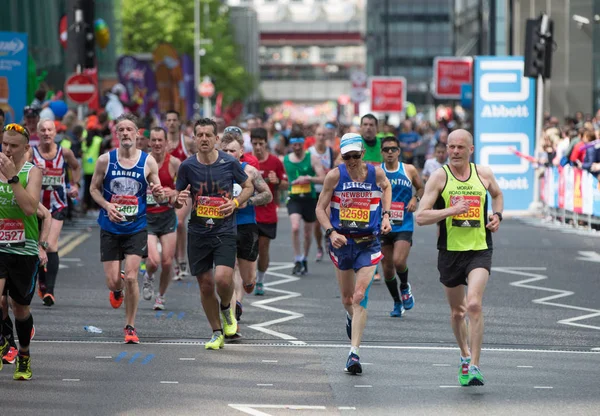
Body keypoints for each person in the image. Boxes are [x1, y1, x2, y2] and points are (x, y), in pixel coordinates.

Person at [415, 129, 503, 386]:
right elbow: (421, 217)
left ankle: (475, 366)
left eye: (460, 148)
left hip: (479, 249)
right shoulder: (439, 177)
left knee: (474, 304)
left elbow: (497, 195)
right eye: (450, 147)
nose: (454, 152)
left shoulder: (483, 174)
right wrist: (452, 210)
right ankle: (464, 354)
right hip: (450, 252)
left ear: (470, 150)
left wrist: (497, 216)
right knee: (457, 312)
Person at [173, 118, 253, 350]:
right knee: (206, 285)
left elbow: (248, 186)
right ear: (194, 138)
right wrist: (177, 201)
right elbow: (178, 200)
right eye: (200, 135)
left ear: (217, 139)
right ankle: (216, 332)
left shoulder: (229, 163)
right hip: (198, 232)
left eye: (209, 135)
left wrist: (236, 203)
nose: (204, 139)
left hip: (225, 230)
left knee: (222, 279)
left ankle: (227, 308)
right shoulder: (187, 167)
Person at [315, 133, 392, 375]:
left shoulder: (376, 173)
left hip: (368, 243)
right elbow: (319, 208)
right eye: (346, 156)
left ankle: (353, 353)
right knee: (348, 300)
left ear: (363, 154)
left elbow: (387, 186)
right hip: (342, 243)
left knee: (359, 296)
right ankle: (350, 318)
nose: (351, 161)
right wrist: (330, 232)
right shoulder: (334, 176)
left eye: (355, 156)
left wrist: (386, 215)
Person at [89, 113, 164, 344]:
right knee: (113, 282)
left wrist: (160, 194)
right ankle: (117, 287)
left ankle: (130, 326)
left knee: (132, 277)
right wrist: (107, 205)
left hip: (136, 226)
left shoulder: (148, 161)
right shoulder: (105, 160)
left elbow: (158, 191)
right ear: (116, 134)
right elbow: (93, 189)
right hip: (110, 227)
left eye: (129, 129)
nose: (125, 133)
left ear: (137, 133)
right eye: (120, 129)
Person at [0, 123, 43, 380]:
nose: (7, 149)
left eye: (13, 146)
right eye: (4, 143)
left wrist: (13, 178)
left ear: (25, 148)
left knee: (20, 310)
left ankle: (24, 354)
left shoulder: (32, 172)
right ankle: (4, 341)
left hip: (23, 249)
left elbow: (29, 208)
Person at [219, 129, 272, 323]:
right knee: (229, 270)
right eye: (224, 150)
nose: (228, 154)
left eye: (232, 151)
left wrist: (247, 201)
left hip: (247, 226)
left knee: (248, 278)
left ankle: (248, 287)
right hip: (224, 226)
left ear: (241, 151)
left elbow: (268, 195)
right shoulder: (215, 171)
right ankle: (232, 316)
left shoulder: (249, 171)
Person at [31, 119, 81, 306]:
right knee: (36, 246)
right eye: (43, 130)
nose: (46, 133)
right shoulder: (31, 154)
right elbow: (19, 170)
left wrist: (75, 185)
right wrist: (34, 171)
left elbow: (76, 167)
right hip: (35, 206)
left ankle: (50, 291)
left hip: (57, 205)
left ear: (55, 132)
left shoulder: (64, 152)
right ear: (38, 132)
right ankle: (41, 282)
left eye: (49, 130)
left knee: (50, 245)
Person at [379, 136, 423, 317]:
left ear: (399, 151)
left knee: (398, 261)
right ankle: (397, 302)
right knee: (387, 268)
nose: (390, 152)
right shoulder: (376, 172)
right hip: (382, 224)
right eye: (386, 149)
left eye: (393, 149)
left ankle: (404, 286)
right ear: (381, 152)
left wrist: (415, 198)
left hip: (403, 223)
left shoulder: (409, 170)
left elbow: (421, 188)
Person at [2, 202, 50, 365]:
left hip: (23, 254)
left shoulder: (22, 187)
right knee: (1, 301)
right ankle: (7, 344)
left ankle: (23, 352)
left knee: (17, 307)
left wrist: (42, 246)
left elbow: (47, 215)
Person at [141, 127, 181, 310]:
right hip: (147, 217)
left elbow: (184, 189)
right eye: (154, 140)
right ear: (149, 142)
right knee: (154, 260)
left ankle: (161, 296)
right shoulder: (142, 162)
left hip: (167, 216)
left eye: (160, 140)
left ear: (166, 142)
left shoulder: (174, 163)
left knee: (167, 261)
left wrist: (173, 192)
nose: (157, 144)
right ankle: (148, 277)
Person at [250, 127, 288, 295]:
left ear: (266, 143)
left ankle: (260, 279)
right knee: (249, 248)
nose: (258, 147)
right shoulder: (246, 160)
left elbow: (287, 184)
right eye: (255, 143)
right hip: (248, 212)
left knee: (263, 248)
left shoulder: (275, 162)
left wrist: (277, 181)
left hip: (267, 213)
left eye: (261, 144)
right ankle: (248, 277)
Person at [283, 134, 326, 275]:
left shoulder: (312, 158)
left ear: (303, 144)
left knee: (308, 233)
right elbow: (281, 180)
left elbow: (323, 178)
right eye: (294, 145)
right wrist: (288, 183)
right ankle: (296, 259)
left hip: (309, 198)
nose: (296, 147)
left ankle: (304, 258)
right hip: (294, 198)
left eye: (299, 144)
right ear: (290, 145)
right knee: (295, 227)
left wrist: (308, 178)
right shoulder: (286, 160)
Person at [165, 110, 196, 279]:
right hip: (165, 191)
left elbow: (203, 157)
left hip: (185, 191)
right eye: (168, 120)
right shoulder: (159, 143)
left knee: (179, 222)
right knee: (169, 226)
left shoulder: (188, 142)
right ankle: (173, 260)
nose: (171, 123)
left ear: (179, 122)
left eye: (174, 120)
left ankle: (182, 260)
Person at [308, 125, 338, 261]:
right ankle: (319, 246)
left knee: (328, 217)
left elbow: (335, 169)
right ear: (314, 136)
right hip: (314, 191)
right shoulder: (309, 152)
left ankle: (328, 236)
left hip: (328, 191)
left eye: (323, 135)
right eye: (318, 134)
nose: (321, 137)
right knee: (315, 223)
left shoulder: (331, 152)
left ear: (326, 137)